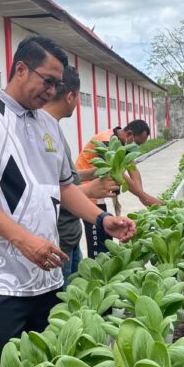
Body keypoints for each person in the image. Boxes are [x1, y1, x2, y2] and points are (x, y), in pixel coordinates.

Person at [0, 35, 137, 367]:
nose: (52, 91)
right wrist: (23, 241)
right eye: (47, 80)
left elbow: (65, 188)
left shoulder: (50, 126)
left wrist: (100, 219)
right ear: (21, 69)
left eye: (57, 84)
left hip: (47, 279)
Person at [42, 66, 120, 286]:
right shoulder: (43, 134)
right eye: (78, 97)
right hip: (59, 242)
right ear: (69, 97)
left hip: (71, 236)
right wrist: (89, 190)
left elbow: (66, 178)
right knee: (64, 309)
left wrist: (92, 174)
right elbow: (43, 190)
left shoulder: (54, 130)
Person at [75, 119, 163, 258]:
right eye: (138, 143)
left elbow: (133, 170)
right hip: (86, 189)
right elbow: (120, 175)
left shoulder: (123, 141)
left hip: (99, 191)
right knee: (98, 240)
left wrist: (142, 197)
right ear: (129, 134)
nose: (137, 147)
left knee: (106, 235)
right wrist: (145, 197)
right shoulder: (107, 141)